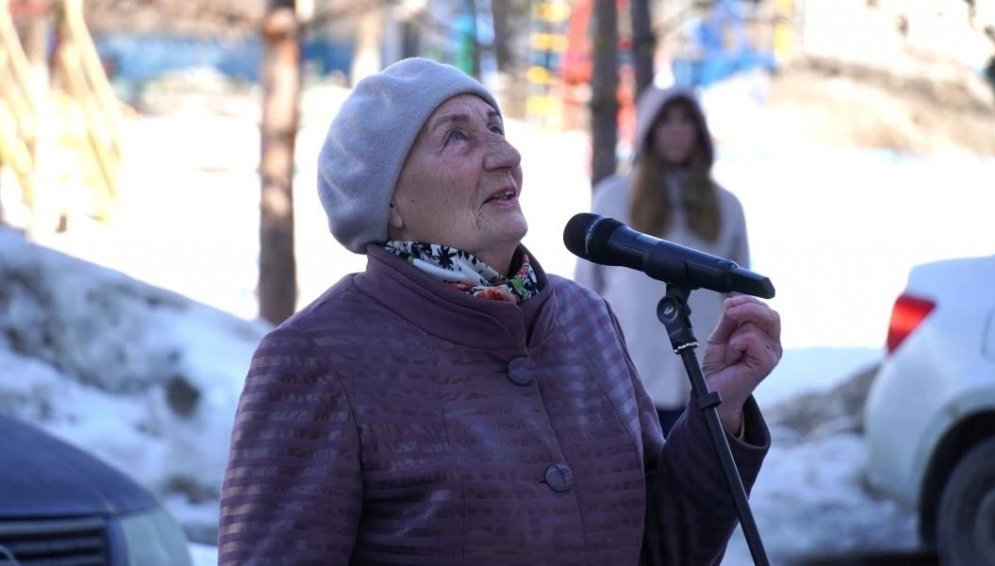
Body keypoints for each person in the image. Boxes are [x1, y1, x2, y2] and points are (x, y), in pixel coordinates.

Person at [218, 58, 781, 565]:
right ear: (387, 201)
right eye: (456, 137)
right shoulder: (317, 357)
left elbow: (663, 549)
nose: (506, 155)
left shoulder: (585, 319)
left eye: (496, 128)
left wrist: (722, 406)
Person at [575, 84, 751, 435]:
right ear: (648, 130)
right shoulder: (614, 198)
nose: (676, 131)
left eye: (686, 121)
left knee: (696, 467)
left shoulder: (726, 206)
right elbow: (587, 289)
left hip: (703, 379)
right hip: (629, 376)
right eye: (666, 121)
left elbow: (739, 293)